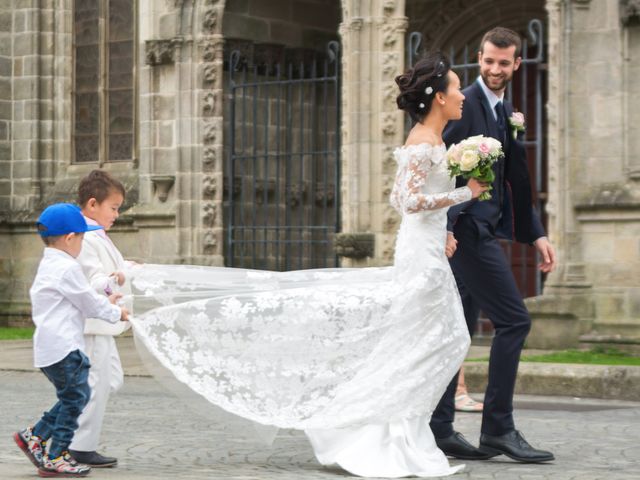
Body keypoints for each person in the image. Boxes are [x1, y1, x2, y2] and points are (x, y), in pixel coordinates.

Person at [126, 51, 487, 478]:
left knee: (435, 340)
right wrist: (466, 193)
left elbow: (421, 203)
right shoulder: (423, 142)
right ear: (438, 97)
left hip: (428, 247)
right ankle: (375, 430)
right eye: (455, 87)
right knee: (443, 337)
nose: (462, 94)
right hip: (418, 254)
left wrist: (444, 227)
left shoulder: (437, 140)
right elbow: (404, 201)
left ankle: (398, 430)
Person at [430, 27, 557, 463]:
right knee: (515, 321)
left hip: (484, 233)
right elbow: (440, 171)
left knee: (458, 332)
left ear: (516, 64)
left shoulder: (507, 113)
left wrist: (536, 233)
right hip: (463, 235)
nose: (495, 69)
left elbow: (516, 181)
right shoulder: (463, 106)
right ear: (479, 59)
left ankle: (441, 428)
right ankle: (499, 429)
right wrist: (444, 227)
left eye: (504, 63)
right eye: (488, 61)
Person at [13, 203, 129, 478]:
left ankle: (34, 436)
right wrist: (116, 311)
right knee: (77, 397)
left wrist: (103, 300)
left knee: (72, 396)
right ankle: (58, 455)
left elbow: (80, 298)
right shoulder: (67, 268)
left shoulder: (50, 264)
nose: (82, 242)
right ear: (69, 238)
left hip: (48, 348)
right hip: (65, 348)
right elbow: (88, 303)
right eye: (81, 237)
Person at [67, 170, 132, 468]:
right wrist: (109, 281)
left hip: (105, 323)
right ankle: (79, 446)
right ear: (93, 204)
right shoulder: (84, 237)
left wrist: (128, 267)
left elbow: (111, 266)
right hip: (93, 323)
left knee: (111, 380)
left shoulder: (97, 236)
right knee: (95, 382)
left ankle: (67, 432)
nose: (117, 214)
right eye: (114, 208)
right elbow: (91, 275)